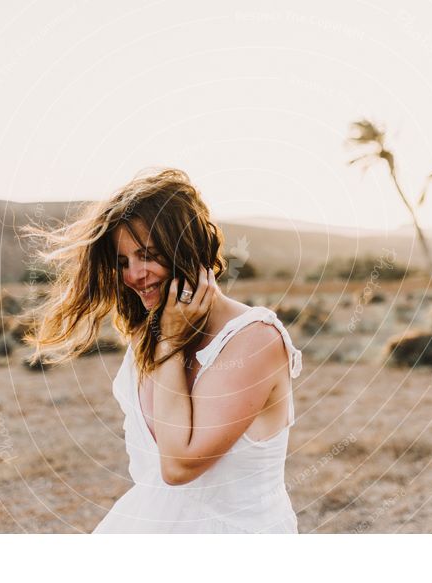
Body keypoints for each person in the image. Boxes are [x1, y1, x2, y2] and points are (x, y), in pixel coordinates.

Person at [21, 168, 303, 533]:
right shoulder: (148, 332)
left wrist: (169, 343)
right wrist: (165, 337)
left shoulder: (254, 340)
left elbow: (179, 465)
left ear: (190, 249)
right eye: (123, 262)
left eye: (148, 255)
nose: (134, 275)